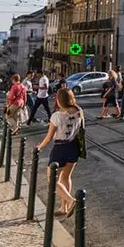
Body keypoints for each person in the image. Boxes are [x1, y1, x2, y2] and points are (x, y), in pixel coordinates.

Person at [37, 86, 84, 217]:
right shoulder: (78, 111)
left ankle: (70, 200)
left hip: (60, 149)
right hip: (73, 147)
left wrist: (39, 146)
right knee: (66, 177)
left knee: (52, 180)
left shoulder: (57, 116)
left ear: (59, 100)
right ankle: (64, 207)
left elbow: (49, 137)